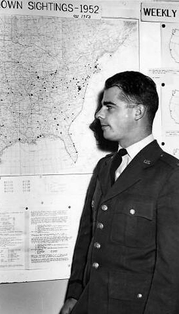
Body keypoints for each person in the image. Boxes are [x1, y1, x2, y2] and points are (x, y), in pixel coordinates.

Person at [60, 71, 179, 314]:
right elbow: (87, 237)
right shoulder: (105, 166)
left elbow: (172, 270)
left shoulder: (170, 175)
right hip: (90, 303)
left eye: (109, 107)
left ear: (138, 112)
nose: (99, 114)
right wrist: (75, 294)